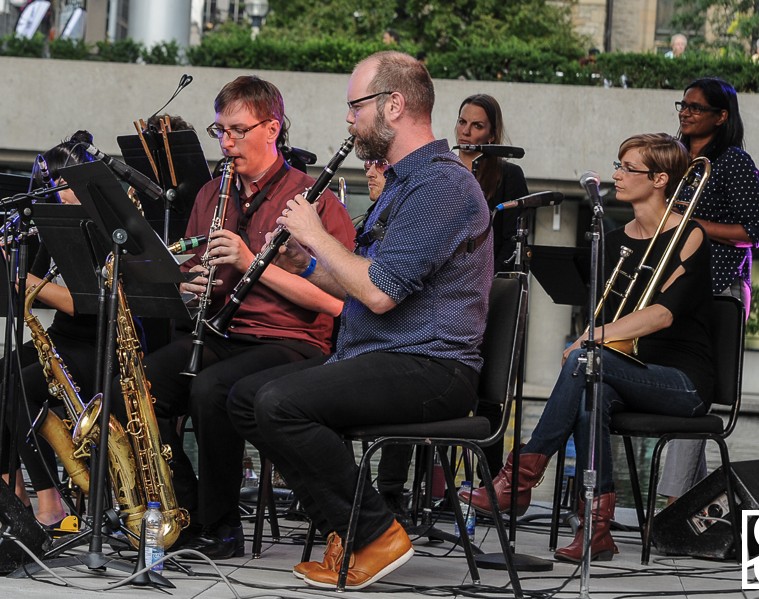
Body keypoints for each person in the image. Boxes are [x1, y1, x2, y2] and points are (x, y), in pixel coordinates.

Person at [227, 50, 493, 589]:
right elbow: (360, 276)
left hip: (431, 367)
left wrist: (315, 232)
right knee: (243, 398)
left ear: (393, 105)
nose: (349, 119)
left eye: (356, 106)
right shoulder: (403, 182)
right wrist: (306, 263)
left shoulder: (442, 185)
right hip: (382, 355)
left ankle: (374, 533)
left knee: (281, 403)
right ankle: (344, 527)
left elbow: (379, 293)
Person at [118, 75, 355, 559]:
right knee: (139, 382)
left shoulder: (313, 200)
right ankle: (182, 512)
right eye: (220, 131)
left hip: (292, 341)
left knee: (211, 390)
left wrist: (250, 262)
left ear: (272, 129)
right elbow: (191, 269)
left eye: (237, 131)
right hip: (223, 332)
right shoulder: (211, 195)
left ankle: (222, 525)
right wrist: (188, 286)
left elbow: (339, 303)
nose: (226, 143)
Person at [461, 133, 715, 563]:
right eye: (618, 165)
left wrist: (589, 338)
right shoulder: (613, 242)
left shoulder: (689, 234)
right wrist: (594, 339)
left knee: (585, 360)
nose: (617, 174)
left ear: (659, 179)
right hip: (626, 372)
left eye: (628, 168)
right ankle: (595, 530)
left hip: (683, 382)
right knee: (590, 395)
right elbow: (609, 323)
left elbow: (661, 314)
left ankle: (518, 478)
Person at [659, 77, 759, 501]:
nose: (686, 112)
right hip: (679, 287)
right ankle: (687, 510)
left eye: (696, 107)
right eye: (683, 105)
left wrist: (694, 225)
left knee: (694, 393)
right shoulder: (676, 158)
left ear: (721, 116)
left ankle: (671, 504)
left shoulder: (733, 162)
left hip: (719, 291)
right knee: (686, 393)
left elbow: (754, 231)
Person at [0, 130, 98, 530]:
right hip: (61, 338)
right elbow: (32, 282)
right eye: (53, 187)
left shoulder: (102, 228)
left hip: (96, 345)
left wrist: (22, 278)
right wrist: (11, 254)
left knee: (18, 389)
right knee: (2, 375)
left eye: (64, 185)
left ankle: (51, 501)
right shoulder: (58, 221)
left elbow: (80, 302)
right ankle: (13, 497)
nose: (59, 195)